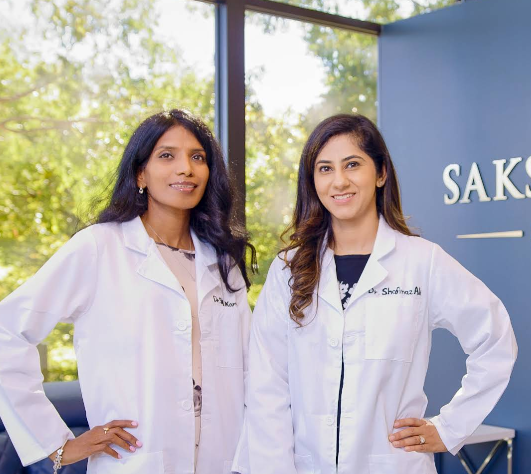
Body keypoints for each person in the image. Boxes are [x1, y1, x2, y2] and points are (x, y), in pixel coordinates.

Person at [246, 114, 517, 474]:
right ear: (312, 182)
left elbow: (495, 337)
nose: (339, 181)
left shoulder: (421, 262)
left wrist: (450, 428)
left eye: (352, 164)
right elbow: (267, 386)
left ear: (380, 173)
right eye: (325, 169)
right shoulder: (288, 270)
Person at [0, 109, 255, 474]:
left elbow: (250, 371)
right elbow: (7, 330)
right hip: (137, 461)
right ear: (140, 174)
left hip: (225, 460)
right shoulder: (99, 248)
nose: (186, 168)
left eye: (197, 157)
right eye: (167, 156)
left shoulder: (222, 261)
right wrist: (56, 445)